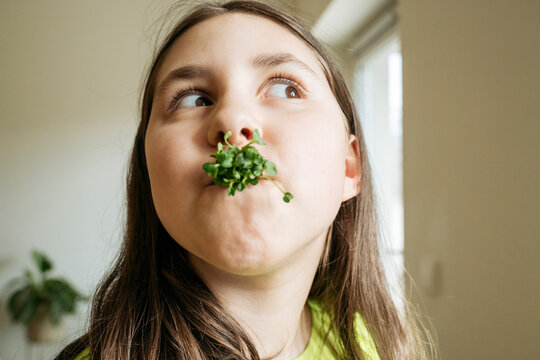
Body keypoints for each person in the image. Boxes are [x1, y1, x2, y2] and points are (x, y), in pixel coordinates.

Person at [56, 1, 431, 359]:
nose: (233, 121)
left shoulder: (368, 343)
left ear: (349, 167)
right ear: (148, 170)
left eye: (286, 88)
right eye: (194, 99)